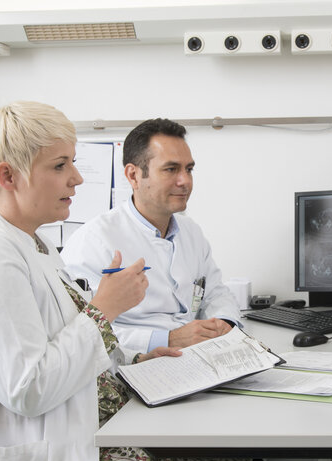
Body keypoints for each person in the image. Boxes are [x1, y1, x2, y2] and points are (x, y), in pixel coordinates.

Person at [0, 101, 182, 461]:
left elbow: (68, 339)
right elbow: (28, 389)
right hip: (61, 448)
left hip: (104, 423)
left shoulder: (35, 240)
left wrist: (134, 360)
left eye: (73, 162)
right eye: (60, 165)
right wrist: (104, 308)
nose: (76, 178)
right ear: (8, 176)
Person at [62, 118, 241, 353]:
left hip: (201, 354)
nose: (185, 181)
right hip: (138, 364)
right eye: (171, 169)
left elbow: (216, 292)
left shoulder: (191, 232)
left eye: (189, 169)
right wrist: (166, 339)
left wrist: (224, 323)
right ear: (133, 175)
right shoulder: (93, 241)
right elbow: (82, 332)